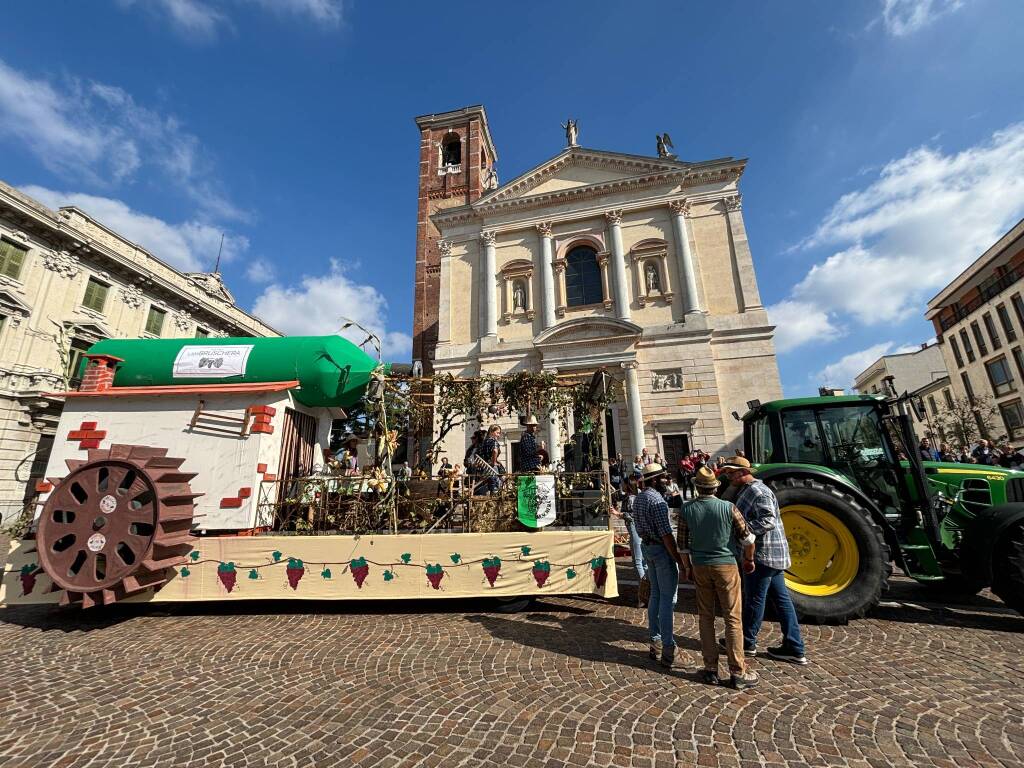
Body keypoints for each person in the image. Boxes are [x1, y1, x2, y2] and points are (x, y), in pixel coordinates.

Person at [721, 456, 808, 665]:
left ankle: (747, 642)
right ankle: (795, 646)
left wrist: (743, 531)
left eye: (731, 473)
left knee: (754, 599)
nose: (728, 476)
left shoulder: (757, 491)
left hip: (763, 553)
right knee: (781, 601)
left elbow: (767, 520)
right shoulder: (749, 490)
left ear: (743, 472)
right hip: (770, 553)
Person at [678, 466, 758, 688]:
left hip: (701, 566)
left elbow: (683, 545)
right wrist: (749, 560)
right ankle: (737, 671)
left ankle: (710, 668)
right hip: (726, 565)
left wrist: (686, 568)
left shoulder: (687, 509)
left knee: (706, 617)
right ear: (715, 487)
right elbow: (748, 539)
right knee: (733, 618)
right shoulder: (728, 507)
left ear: (697, 488)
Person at [632, 462, 687, 668]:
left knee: (655, 594)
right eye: (663, 477)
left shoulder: (639, 499)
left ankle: (655, 641)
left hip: (647, 547)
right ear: (654, 480)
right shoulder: (657, 501)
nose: (666, 480)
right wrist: (679, 560)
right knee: (667, 599)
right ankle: (668, 647)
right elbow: (666, 534)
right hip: (660, 550)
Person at [610, 471, 646, 600]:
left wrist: (617, 513)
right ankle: (648, 588)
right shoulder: (635, 495)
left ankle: (644, 592)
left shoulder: (631, 498)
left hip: (635, 528)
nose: (621, 486)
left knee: (637, 562)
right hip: (640, 528)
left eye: (622, 484)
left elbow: (631, 515)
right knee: (643, 561)